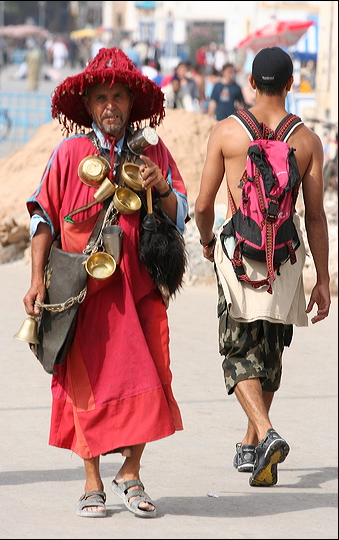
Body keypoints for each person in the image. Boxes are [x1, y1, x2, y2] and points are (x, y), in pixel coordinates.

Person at [22, 47, 189, 518]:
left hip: (141, 291)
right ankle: (92, 480)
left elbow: (180, 216)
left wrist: (160, 188)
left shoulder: (153, 151)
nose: (111, 105)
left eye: (118, 96)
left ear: (132, 103)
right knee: (86, 385)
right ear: (89, 105)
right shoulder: (70, 152)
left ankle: (131, 473)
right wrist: (37, 280)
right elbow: (43, 218)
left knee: (154, 378)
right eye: (101, 97)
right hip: (83, 293)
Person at [194, 47, 330, 487]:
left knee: (238, 354)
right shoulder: (307, 141)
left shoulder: (226, 133)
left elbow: (202, 205)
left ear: (251, 83)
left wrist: (207, 239)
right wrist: (323, 279)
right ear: (291, 84)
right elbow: (315, 216)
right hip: (286, 257)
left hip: (238, 253)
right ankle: (252, 445)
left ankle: (266, 433)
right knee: (270, 353)